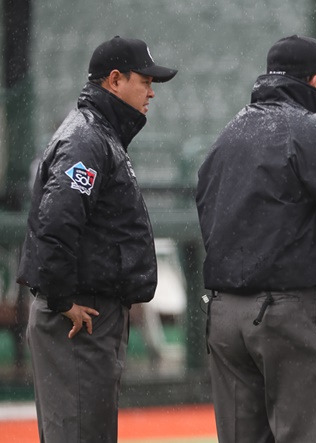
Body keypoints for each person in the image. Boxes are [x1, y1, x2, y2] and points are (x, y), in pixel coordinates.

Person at [195, 35, 316, 443]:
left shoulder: (229, 132)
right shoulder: (310, 129)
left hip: (225, 315)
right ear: (315, 80)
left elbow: (206, 207)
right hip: (289, 314)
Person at [16, 36, 177, 443]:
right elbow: (55, 222)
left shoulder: (99, 134)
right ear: (115, 80)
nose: (151, 91)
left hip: (90, 312)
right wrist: (61, 300)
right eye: (145, 80)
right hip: (77, 318)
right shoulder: (87, 139)